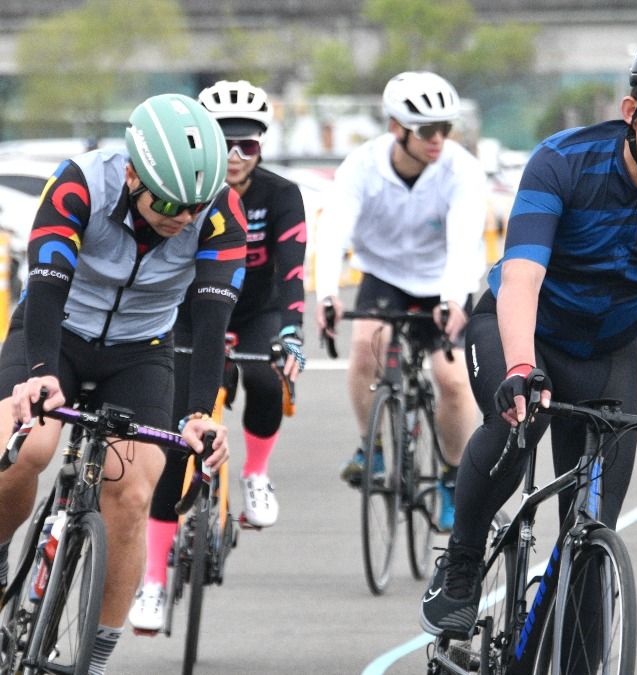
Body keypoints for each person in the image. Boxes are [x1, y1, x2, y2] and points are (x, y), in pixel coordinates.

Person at [419, 30, 637, 640]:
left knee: (593, 544)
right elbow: (521, 278)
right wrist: (519, 367)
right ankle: (462, 561)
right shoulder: (562, 161)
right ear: (632, 112)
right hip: (522, 327)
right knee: (519, 427)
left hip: (610, 350)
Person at [0, 93, 243, 673]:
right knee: (24, 447)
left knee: (134, 494)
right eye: (167, 202)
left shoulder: (219, 214)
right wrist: (39, 377)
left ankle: (96, 656)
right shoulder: (80, 183)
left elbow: (210, 326)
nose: (182, 218)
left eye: (193, 205)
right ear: (132, 171)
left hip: (141, 351)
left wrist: (200, 413)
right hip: (53, 331)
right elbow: (48, 278)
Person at [128, 80, 307, 633]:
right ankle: (153, 580)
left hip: (254, 308)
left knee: (267, 378)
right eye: (223, 143)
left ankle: (255, 475)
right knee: (175, 443)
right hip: (189, 308)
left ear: (261, 148)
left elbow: (293, 268)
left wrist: (292, 331)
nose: (234, 157)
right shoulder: (187, 190)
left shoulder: (281, 195)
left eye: (247, 146)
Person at [313, 71, 486, 531]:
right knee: (367, 343)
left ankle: (451, 478)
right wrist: (328, 291)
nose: (439, 140)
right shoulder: (361, 168)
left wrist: (451, 300)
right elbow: (333, 233)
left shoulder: (462, 170)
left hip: (443, 276)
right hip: (386, 273)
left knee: (450, 378)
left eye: (446, 129)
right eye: (428, 131)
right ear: (396, 129)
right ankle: (372, 450)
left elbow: (465, 240)